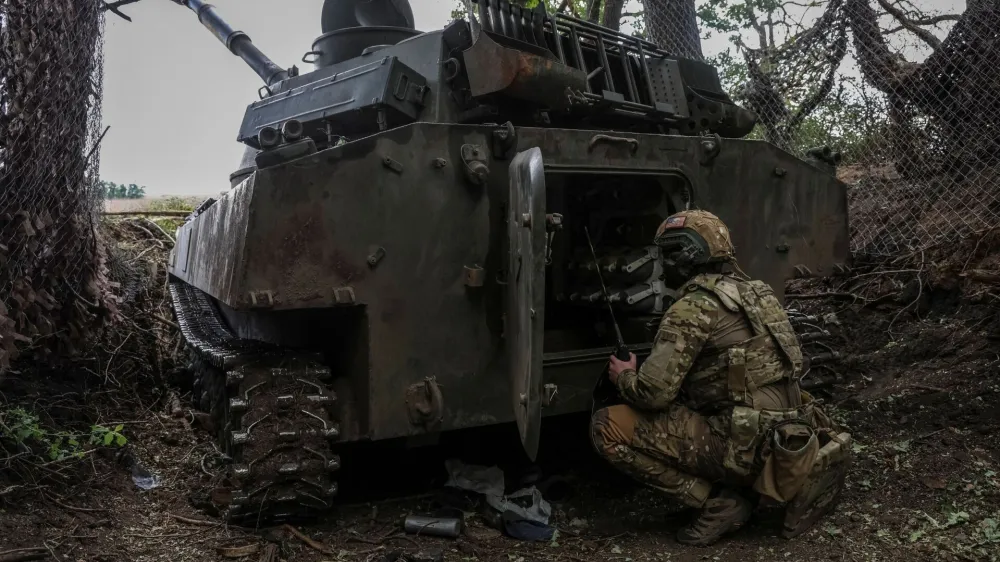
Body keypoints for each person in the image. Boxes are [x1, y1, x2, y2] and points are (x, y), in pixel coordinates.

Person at [590, 210, 851, 546]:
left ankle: (716, 503)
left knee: (607, 426)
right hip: (787, 437)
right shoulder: (759, 293)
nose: (663, 264)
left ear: (686, 256)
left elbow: (652, 395)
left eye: (667, 254)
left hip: (743, 446)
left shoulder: (692, 307)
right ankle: (745, 486)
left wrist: (625, 375)